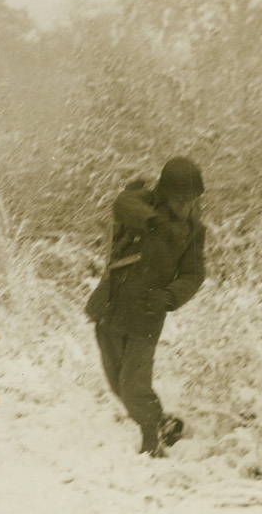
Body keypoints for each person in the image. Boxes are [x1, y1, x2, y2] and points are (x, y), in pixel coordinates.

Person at [85, 157, 206, 458]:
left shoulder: (192, 231)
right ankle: (164, 424)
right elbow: (123, 203)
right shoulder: (140, 202)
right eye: (178, 200)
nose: (184, 207)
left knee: (133, 386)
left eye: (190, 201)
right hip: (112, 306)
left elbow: (193, 275)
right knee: (117, 385)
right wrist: (152, 222)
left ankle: (152, 443)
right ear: (164, 194)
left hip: (147, 314)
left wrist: (169, 297)